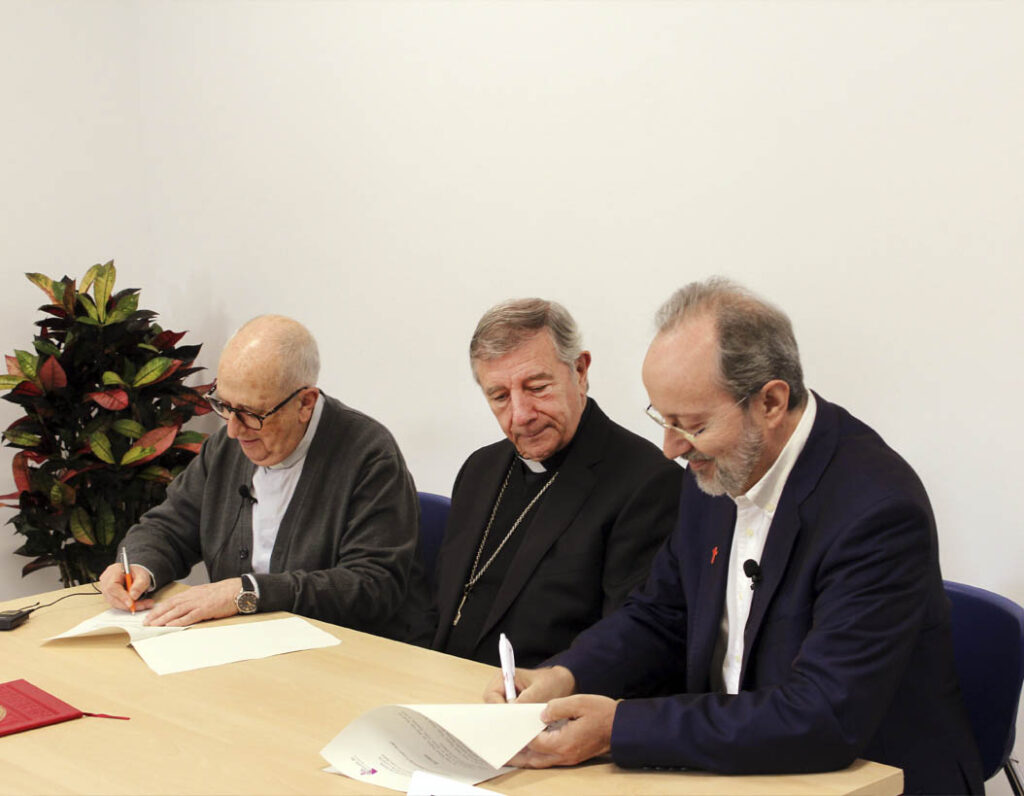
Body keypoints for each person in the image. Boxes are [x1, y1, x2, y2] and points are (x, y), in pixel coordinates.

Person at [485, 279, 983, 795]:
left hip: (867, 778)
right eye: (663, 419)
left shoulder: (876, 511)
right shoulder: (718, 469)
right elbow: (661, 615)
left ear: (770, 402)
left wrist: (618, 729)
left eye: (691, 425)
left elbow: (821, 715)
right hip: (735, 764)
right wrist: (565, 674)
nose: (671, 448)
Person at [99, 314, 423, 640]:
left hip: (340, 651)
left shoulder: (369, 456)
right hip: (238, 644)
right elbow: (169, 527)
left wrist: (248, 593)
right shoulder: (226, 447)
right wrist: (138, 566)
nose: (233, 429)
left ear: (305, 403)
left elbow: (372, 585)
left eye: (251, 414)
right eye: (224, 405)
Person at [431, 299, 682, 668]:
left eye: (536, 387)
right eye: (499, 396)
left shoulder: (648, 483)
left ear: (579, 370)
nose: (521, 415)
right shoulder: (479, 469)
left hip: (541, 696)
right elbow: (435, 605)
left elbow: (630, 643)